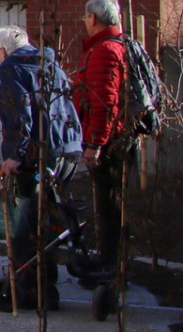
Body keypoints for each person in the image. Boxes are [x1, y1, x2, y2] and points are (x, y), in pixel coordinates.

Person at [0, 24, 82, 300]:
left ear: (3, 50)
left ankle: (29, 286)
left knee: (23, 222)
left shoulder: (11, 69)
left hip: (36, 153)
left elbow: (18, 115)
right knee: (46, 217)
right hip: (66, 148)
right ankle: (46, 280)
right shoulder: (50, 65)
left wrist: (13, 156)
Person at [74, 0, 133, 285]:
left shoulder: (104, 51)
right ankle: (111, 264)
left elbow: (104, 103)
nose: (84, 21)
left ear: (94, 18)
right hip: (117, 139)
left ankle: (110, 270)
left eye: (86, 17)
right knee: (111, 207)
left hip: (109, 144)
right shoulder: (119, 45)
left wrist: (95, 144)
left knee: (109, 208)